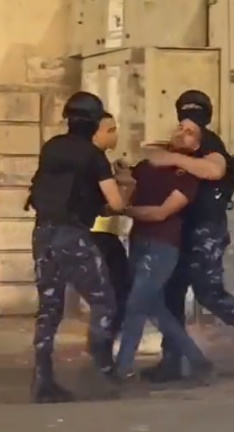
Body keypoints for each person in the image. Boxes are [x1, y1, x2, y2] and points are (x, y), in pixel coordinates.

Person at [141, 89, 234, 383]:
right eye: (182, 125)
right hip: (180, 229)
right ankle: (172, 361)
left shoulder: (210, 143)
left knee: (208, 291)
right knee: (171, 293)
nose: (184, 129)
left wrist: (172, 157)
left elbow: (214, 170)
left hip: (205, 230)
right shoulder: (183, 146)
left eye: (190, 126)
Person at [25, 92, 127, 403]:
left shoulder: (52, 147)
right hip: (72, 234)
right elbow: (116, 203)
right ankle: (99, 371)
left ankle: (42, 382)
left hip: (43, 233)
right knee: (104, 301)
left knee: (49, 309)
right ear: (94, 122)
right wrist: (123, 180)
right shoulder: (93, 156)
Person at [113, 121, 214, 381]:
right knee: (154, 309)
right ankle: (198, 360)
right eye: (180, 127)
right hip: (139, 241)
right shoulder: (149, 165)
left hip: (163, 246)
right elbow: (130, 187)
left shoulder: (188, 175)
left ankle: (122, 368)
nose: (182, 133)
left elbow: (162, 212)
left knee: (136, 305)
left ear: (197, 145)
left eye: (190, 132)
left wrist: (123, 211)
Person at [89, 112, 134, 357]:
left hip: (98, 236)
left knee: (108, 299)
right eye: (111, 130)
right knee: (114, 298)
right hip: (100, 236)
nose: (116, 135)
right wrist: (126, 185)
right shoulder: (95, 161)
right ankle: (102, 355)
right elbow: (114, 207)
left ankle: (101, 353)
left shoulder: (90, 159)